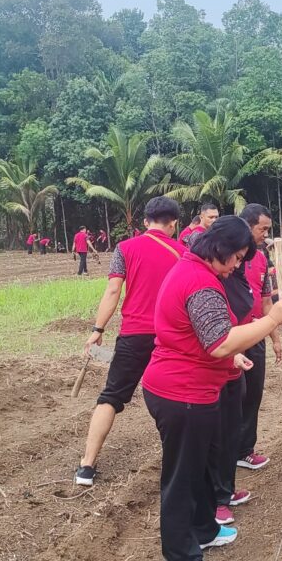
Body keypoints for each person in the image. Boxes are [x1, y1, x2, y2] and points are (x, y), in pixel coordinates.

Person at [144, 216, 282, 561]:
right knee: (182, 479)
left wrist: (229, 360)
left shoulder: (197, 272)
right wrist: (271, 318)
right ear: (220, 249)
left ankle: (204, 529)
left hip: (192, 388)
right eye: (236, 258)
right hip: (181, 394)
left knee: (198, 471)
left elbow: (199, 338)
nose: (237, 267)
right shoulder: (199, 282)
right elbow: (220, 340)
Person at [76, 197, 184, 487]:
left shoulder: (124, 248)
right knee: (174, 399)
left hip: (134, 335)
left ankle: (86, 466)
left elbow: (113, 291)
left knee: (111, 396)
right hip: (169, 337)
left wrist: (98, 329)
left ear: (145, 221)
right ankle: (177, 463)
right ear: (173, 223)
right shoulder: (184, 253)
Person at [210, 205, 282, 526]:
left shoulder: (258, 259)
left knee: (245, 401)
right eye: (262, 229)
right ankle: (215, 499)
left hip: (248, 338)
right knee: (221, 423)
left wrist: (274, 335)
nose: (265, 236)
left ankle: (229, 480)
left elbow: (266, 299)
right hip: (228, 343)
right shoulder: (217, 269)